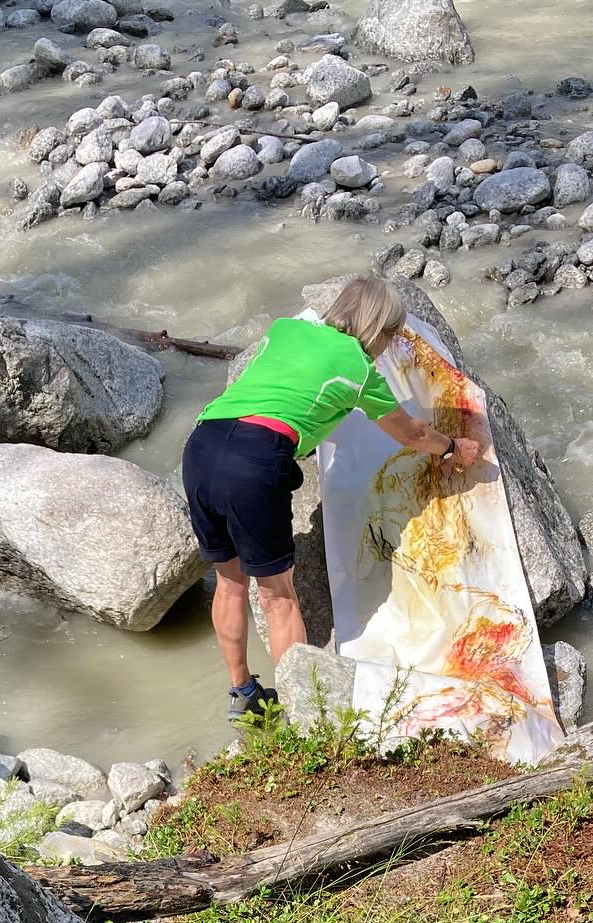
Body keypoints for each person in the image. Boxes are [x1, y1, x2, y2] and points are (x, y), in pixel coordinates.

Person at [181, 278, 483, 720]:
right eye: (390, 336)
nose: (390, 345)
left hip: (202, 445)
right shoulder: (358, 367)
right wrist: (455, 448)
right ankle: (307, 717)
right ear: (376, 330)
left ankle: (242, 691)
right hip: (253, 462)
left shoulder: (285, 329)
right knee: (277, 598)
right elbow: (412, 433)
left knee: (229, 583)